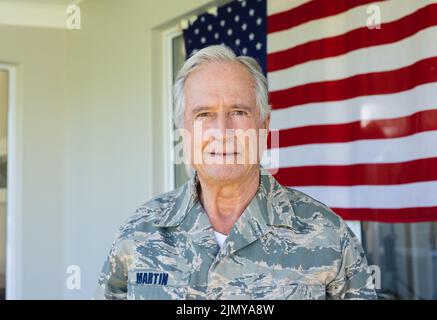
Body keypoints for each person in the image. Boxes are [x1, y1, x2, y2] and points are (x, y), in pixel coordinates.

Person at [95, 45, 377, 300]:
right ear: (184, 130)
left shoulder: (327, 235)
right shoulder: (139, 234)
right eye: (203, 114)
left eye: (239, 112)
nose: (223, 131)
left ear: (264, 125)